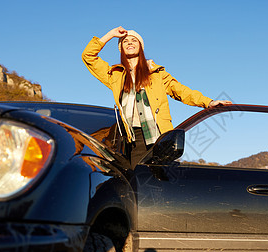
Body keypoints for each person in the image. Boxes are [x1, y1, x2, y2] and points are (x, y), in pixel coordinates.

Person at [82, 26, 231, 168]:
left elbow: (181, 91)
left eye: (134, 40)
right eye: (125, 41)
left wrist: (208, 102)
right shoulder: (115, 76)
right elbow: (88, 56)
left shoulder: (156, 74)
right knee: (140, 184)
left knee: (162, 184)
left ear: (141, 46)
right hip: (135, 139)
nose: (130, 43)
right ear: (121, 48)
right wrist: (110, 35)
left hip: (160, 136)